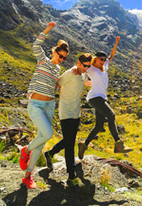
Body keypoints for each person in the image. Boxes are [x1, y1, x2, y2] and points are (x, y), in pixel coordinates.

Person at [19, 22, 68, 189]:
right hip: (36, 105)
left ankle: (27, 176)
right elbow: (36, 44)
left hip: (49, 106)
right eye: (59, 55)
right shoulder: (43, 61)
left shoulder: (58, 70)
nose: (61, 59)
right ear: (54, 51)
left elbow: (55, 85)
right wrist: (47, 29)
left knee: (40, 143)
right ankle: (25, 150)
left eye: (63, 58)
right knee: (47, 133)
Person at [78, 36, 133, 159]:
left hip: (101, 98)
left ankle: (84, 145)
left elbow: (111, 56)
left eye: (103, 59)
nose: (102, 61)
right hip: (94, 98)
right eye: (100, 59)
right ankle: (118, 144)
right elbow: (81, 68)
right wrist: (85, 79)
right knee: (111, 115)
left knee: (99, 126)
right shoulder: (91, 68)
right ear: (95, 59)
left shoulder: (104, 67)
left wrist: (116, 43)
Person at [43, 53, 93, 185]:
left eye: (88, 66)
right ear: (79, 62)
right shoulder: (70, 73)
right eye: (84, 65)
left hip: (76, 114)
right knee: (70, 144)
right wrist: (48, 102)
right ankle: (71, 175)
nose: (86, 68)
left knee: (68, 140)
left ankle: (50, 153)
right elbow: (56, 84)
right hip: (65, 113)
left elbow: (88, 83)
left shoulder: (82, 75)